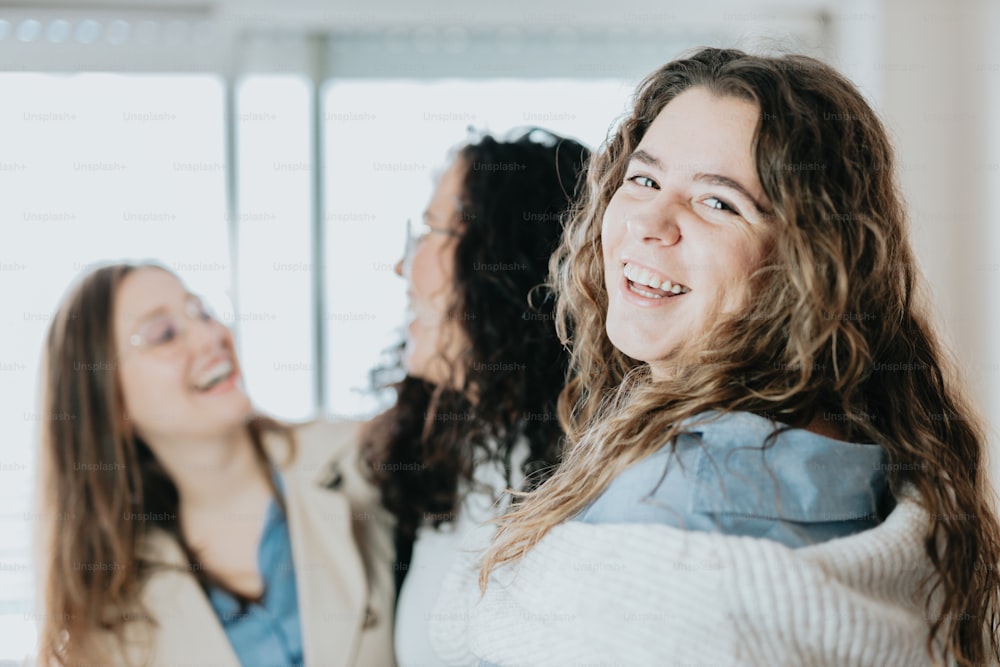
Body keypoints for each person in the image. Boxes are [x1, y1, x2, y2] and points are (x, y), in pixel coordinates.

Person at [429, 48, 1000, 666]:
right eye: (643, 179)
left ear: (806, 261)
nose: (650, 221)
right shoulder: (856, 459)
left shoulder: (677, 498)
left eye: (718, 202)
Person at [35, 263, 395, 666]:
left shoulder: (363, 460)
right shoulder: (109, 613)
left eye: (201, 312)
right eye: (165, 334)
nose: (211, 335)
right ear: (113, 405)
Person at [359, 129, 590, 666]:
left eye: (436, 231)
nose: (404, 266)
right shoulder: (449, 452)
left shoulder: (597, 485)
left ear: (515, 264)